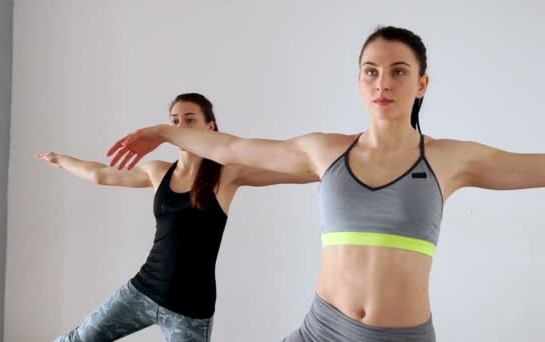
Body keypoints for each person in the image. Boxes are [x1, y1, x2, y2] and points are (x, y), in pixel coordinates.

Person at [107, 27, 545, 342]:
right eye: (371, 71)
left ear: (422, 83)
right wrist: (165, 133)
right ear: (359, 80)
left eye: (398, 71)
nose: (383, 83)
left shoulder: (450, 159)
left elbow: (535, 168)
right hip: (322, 330)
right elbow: (236, 147)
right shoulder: (325, 150)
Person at [36, 93, 317, 342]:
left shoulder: (227, 174)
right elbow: (101, 174)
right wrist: (60, 160)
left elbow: (297, 170)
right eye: (175, 121)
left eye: (190, 120)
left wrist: (336, 164)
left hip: (190, 309)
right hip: (142, 291)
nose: (180, 127)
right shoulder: (157, 171)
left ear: (211, 128)